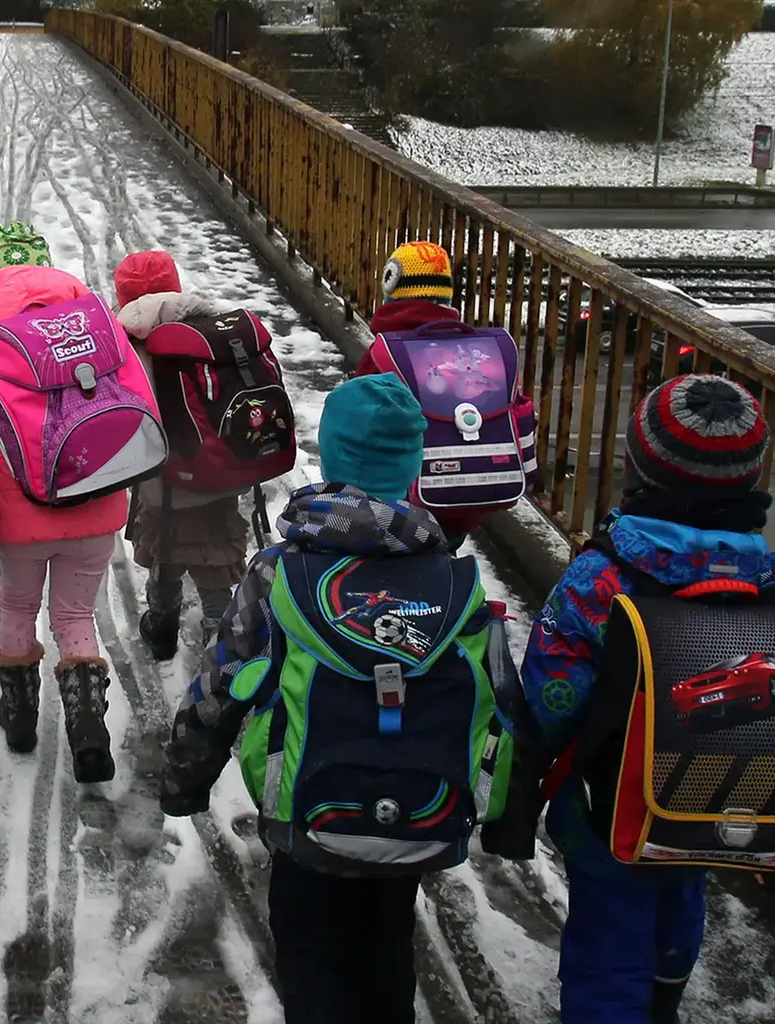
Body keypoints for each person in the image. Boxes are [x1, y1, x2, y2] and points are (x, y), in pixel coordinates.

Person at [162, 374, 497, 1024]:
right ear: (410, 469)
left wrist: (185, 776)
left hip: (308, 820)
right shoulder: (453, 578)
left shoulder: (280, 570)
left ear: (335, 460)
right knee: (387, 946)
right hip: (418, 812)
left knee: (313, 956)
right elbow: (497, 699)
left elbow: (221, 681)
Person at [520, 375, 775, 1024]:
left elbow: (553, 690)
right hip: (714, 795)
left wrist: (522, 772)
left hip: (611, 811)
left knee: (608, 941)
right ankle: (667, 990)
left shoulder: (606, 574)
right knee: (682, 889)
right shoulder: (770, 580)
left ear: (638, 466)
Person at [0, 232, 151, 784]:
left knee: (18, 607)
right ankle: (88, 727)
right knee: (75, 615)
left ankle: (18, 718)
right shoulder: (97, 337)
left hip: (21, 517)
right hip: (96, 504)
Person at [355, 240, 537, 550]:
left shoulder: (386, 355)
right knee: (443, 554)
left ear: (392, 289)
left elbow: (356, 424)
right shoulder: (477, 352)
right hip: (464, 500)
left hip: (403, 506)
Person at [112, 250, 249, 658]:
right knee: (213, 560)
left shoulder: (126, 347)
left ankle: (163, 626)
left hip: (163, 481)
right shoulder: (211, 331)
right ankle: (220, 642)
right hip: (222, 471)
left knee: (165, 555)